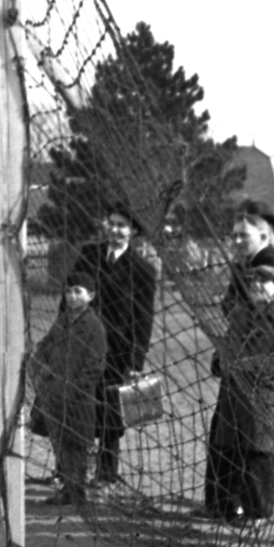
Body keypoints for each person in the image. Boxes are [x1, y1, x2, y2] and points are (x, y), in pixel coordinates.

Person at [73, 202, 157, 484]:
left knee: (110, 412)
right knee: (77, 407)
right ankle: (69, 470)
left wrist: (135, 361)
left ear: (133, 231)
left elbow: (143, 319)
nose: (115, 230)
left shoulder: (142, 270)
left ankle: (106, 473)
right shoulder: (88, 255)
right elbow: (69, 295)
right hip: (83, 344)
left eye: (122, 225)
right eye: (111, 223)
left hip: (116, 352)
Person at [205, 263, 274, 519]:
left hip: (264, 398)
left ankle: (259, 513)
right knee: (228, 450)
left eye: (263, 281)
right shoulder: (239, 314)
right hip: (233, 396)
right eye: (253, 280)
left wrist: (245, 365)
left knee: (259, 455)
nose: (255, 284)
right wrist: (219, 361)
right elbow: (226, 345)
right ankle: (226, 507)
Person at [29, 269, 107, 505]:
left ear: (90, 295)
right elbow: (44, 346)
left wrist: (75, 389)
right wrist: (41, 367)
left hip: (77, 398)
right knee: (60, 443)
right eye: (68, 291)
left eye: (78, 291)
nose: (72, 296)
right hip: (54, 394)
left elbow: (95, 365)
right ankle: (65, 488)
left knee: (76, 446)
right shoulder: (62, 321)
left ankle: (76, 492)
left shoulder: (93, 326)